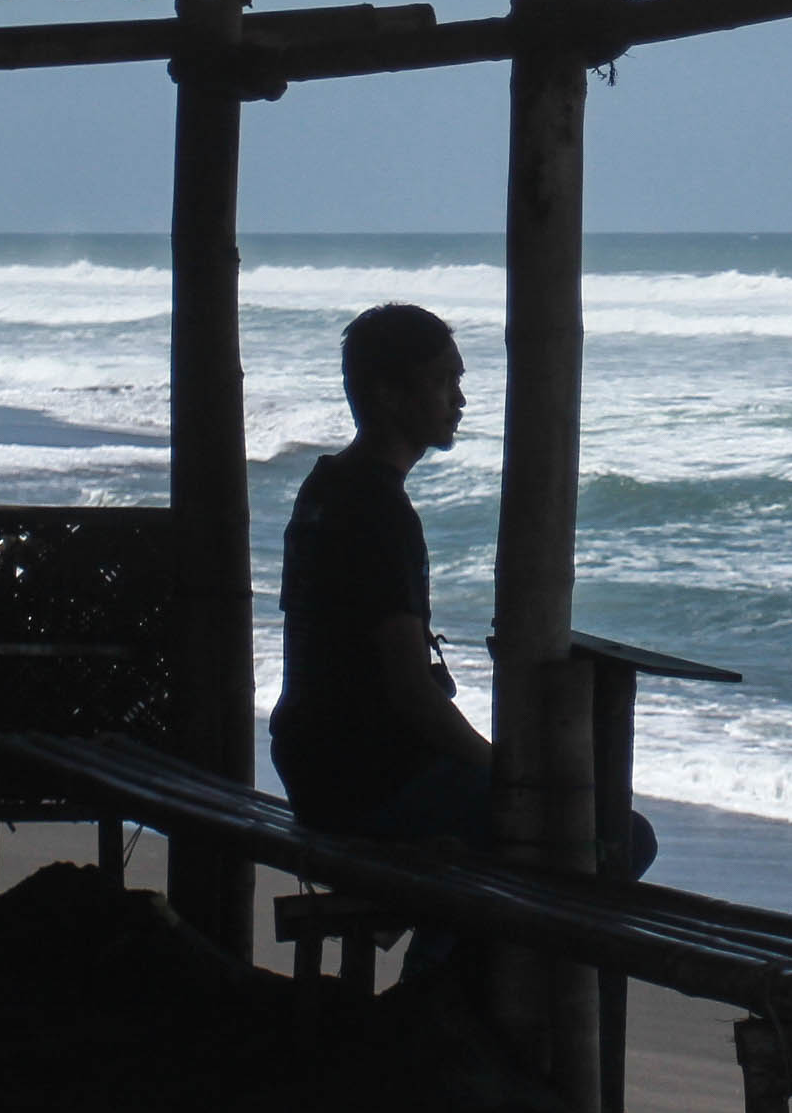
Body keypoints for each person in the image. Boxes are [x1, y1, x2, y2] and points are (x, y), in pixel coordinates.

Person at [269, 304, 656, 881]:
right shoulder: (380, 513)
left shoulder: (326, 486)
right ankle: (448, 971)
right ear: (389, 395)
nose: (459, 399)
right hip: (367, 778)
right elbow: (410, 693)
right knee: (616, 836)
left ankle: (446, 954)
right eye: (443, 381)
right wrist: (503, 767)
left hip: (313, 763)